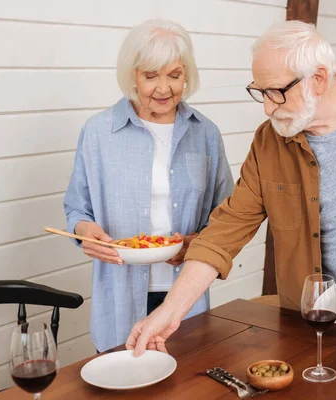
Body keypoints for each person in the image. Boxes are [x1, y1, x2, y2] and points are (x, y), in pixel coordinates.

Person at [125, 20, 336, 355]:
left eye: (276, 92)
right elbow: (224, 232)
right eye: (260, 92)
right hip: (318, 327)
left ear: (318, 78)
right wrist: (169, 313)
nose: (267, 107)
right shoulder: (268, 142)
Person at [64, 19, 234, 352]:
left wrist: (197, 242)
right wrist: (84, 231)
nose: (163, 89)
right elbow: (76, 207)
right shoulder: (98, 132)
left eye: (174, 75)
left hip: (186, 295)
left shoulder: (206, 134)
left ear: (187, 76)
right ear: (132, 75)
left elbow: (226, 214)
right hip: (119, 294)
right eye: (150, 75)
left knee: (184, 382)